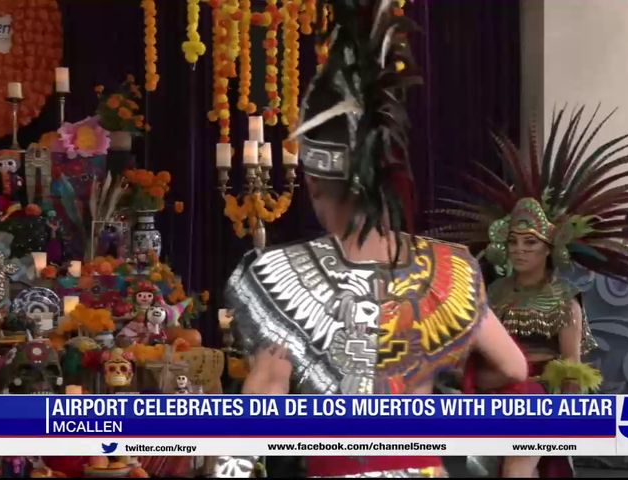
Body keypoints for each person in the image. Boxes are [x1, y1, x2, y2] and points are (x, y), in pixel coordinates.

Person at [217, 1, 528, 477]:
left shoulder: (276, 276)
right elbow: (513, 370)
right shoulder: (452, 267)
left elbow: (266, 393)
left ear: (314, 183)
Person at [429, 105, 628, 477]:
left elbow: (572, 369)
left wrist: (566, 421)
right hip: (491, 391)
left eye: (530, 243)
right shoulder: (495, 291)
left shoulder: (564, 300)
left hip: (538, 398)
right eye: (514, 243)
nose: (520, 250)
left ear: (549, 249)